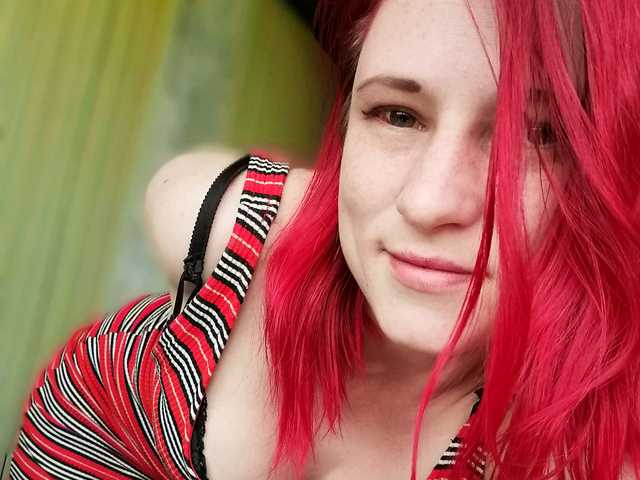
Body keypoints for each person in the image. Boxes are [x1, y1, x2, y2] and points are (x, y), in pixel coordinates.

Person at [9, 0, 640, 478]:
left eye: (539, 136)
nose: (429, 203)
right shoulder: (226, 225)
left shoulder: (578, 453)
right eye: (397, 115)